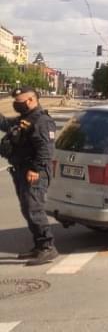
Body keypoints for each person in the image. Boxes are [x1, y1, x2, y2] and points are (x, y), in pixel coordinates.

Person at [0, 87, 59, 264]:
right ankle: (39, 246)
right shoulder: (25, 118)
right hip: (21, 170)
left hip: (33, 172)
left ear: (31, 100)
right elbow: (6, 124)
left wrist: (35, 169)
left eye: (19, 102)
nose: (16, 104)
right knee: (27, 209)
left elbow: (45, 149)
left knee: (34, 210)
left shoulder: (42, 121)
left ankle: (48, 247)